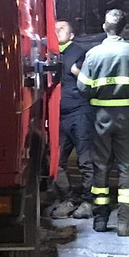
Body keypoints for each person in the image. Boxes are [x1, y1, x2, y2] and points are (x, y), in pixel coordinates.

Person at [77, 9, 129, 236]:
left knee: (100, 167)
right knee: (128, 168)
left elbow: (82, 87)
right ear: (125, 28)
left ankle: (100, 220)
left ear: (104, 27)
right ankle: (125, 223)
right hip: (128, 118)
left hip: (101, 117)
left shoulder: (93, 54)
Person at [49, 20, 96, 220]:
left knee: (85, 161)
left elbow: (88, 80)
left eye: (62, 28)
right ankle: (69, 198)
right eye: (55, 28)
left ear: (72, 35)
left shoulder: (78, 53)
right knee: (55, 161)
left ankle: (89, 201)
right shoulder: (48, 54)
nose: (57, 30)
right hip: (58, 116)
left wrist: (78, 72)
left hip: (80, 113)